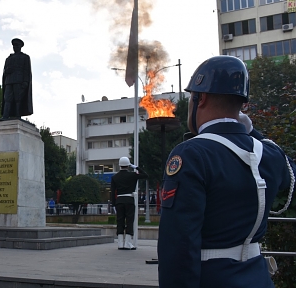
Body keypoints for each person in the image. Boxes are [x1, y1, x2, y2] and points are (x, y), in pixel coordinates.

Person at [158, 55, 296, 288]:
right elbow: (290, 170)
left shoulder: (192, 153)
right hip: (259, 278)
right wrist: (251, 133)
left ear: (200, 99)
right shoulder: (270, 154)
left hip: (212, 278)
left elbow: (178, 245)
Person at [110, 157, 148, 250]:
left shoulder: (115, 177)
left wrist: (113, 204)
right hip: (129, 200)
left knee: (120, 221)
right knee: (129, 221)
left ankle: (120, 243)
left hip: (119, 201)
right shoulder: (132, 175)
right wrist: (136, 167)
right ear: (128, 165)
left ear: (119, 165)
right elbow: (145, 175)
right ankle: (127, 243)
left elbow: (112, 192)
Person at [0, 38, 33, 120]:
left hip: (19, 81)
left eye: (16, 46)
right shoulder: (8, 58)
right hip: (9, 81)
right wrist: (7, 71)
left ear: (20, 47)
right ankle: (5, 116)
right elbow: (5, 71)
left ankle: (18, 115)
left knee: (18, 99)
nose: (15, 47)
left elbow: (27, 70)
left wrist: (25, 81)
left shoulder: (25, 57)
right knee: (7, 98)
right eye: (14, 46)